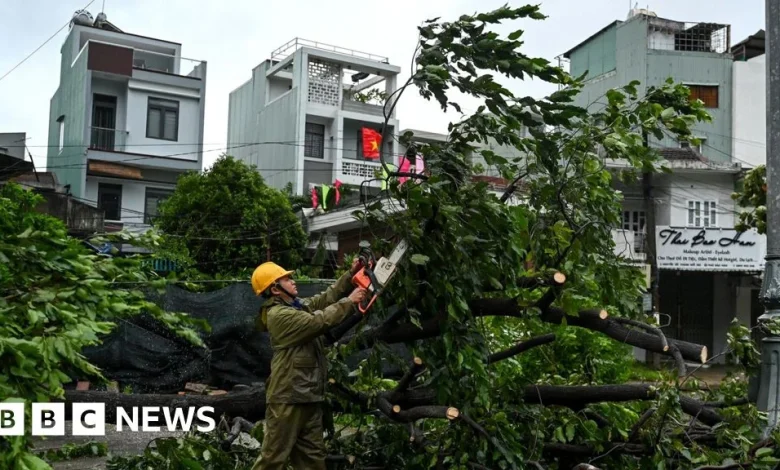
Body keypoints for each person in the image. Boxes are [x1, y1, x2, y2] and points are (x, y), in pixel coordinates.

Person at [250, 259, 368, 470]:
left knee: (312, 459)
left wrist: (350, 276)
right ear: (275, 289)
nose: (293, 281)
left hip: (308, 394)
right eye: (286, 279)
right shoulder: (279, 315)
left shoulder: (295, 306)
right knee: (272, 459)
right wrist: (350, 301)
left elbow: (324, 299)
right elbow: (318, 321)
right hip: (288, 397)